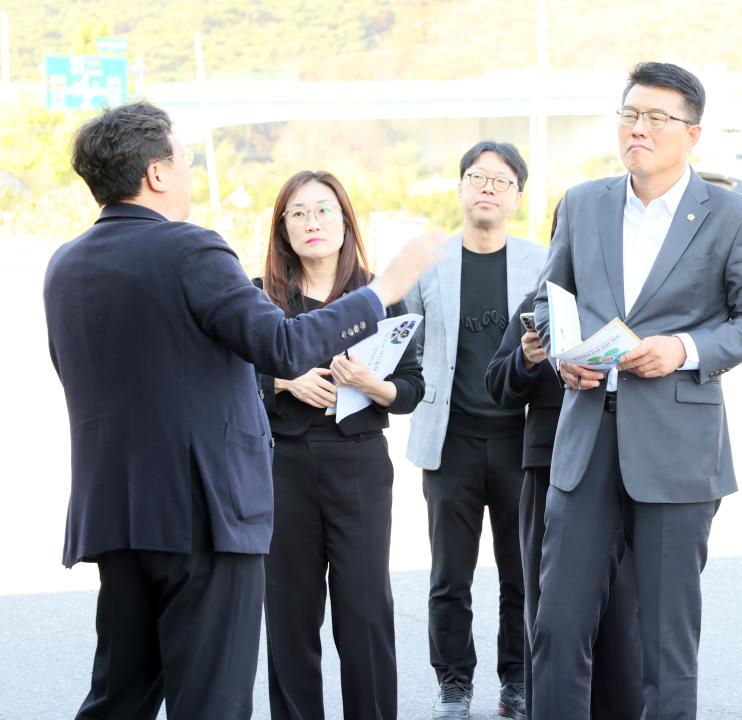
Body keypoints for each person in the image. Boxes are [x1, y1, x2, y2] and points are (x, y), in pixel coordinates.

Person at [42, 102, 442, 720]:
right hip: (204, 517)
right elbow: (281, 345)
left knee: (120, 695)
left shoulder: (63, 266)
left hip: (116, 516)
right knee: (212, 702)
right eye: (186, 160)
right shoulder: (192, 250)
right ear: (156, 174)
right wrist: (383, 290)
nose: (192, 172)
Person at [531, 62, 742, 719]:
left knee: (664, 646)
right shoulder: (582, 203)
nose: (637, 129)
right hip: (585, 442)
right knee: (556, 630)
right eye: (628, 114)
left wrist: (683, 349)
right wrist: (562, 355)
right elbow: (546, 301)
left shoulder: (731, 215)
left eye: (655, 118)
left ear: (691, 134)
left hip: (676, 452)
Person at [256, 170, 423, 720]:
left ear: (345, 220)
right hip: (282, 466)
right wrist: (284, 382)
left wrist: (372, 386)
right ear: (283, 229)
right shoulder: (260, 298)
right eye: (298, 213)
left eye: (324, 210)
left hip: (357, 464)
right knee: (289, 612)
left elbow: (412, 388)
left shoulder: (378, 294)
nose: (312, 223)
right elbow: (227, 379)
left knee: (365, 610)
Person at [484, 208, 644, 720]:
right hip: (550, 466)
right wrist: (528, 359)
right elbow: (497, 384)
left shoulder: (636, 298)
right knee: (553, 614)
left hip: (626, 466)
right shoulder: (541, 303)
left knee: (624, 618)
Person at [405, 141, 547, 720]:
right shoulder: (429, 265)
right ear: (460, 187)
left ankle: (516, 681)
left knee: (521, 574)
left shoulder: (540, 261)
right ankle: (453, 685)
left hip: (521, 440)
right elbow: (406, 345)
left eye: (501, 180)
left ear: (517, 195)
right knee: (449, 576)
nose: (487, 187)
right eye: (476, 176)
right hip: (450, 440)